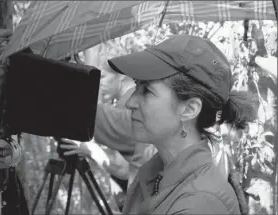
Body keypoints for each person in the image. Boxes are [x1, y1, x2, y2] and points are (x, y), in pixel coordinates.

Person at [63, 35, 257, 214]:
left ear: (189, 109)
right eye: (137, 86)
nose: (131, 102)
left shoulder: (198, 203)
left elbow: (95, 116)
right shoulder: (155, 174)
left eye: (147, 91)